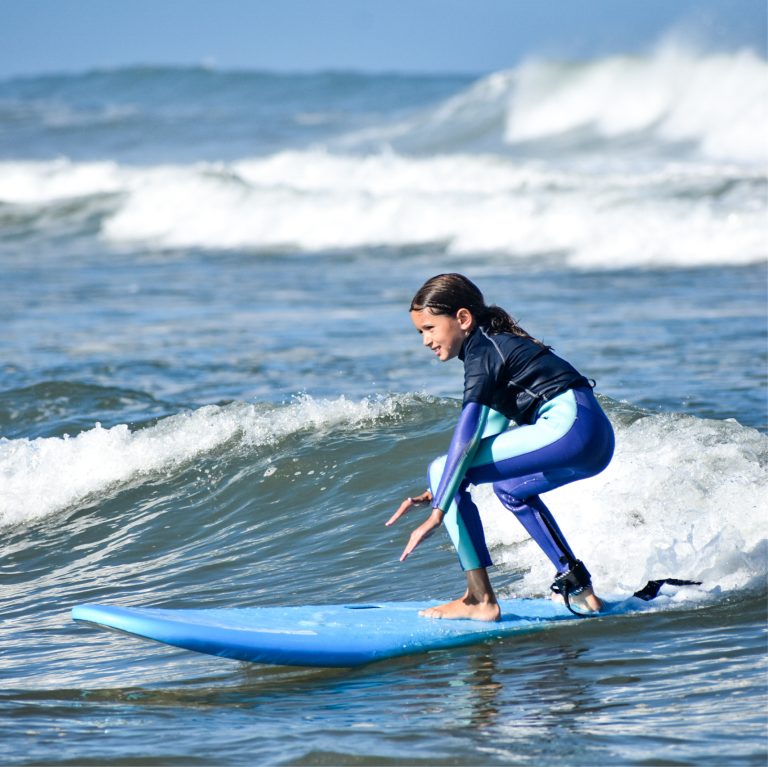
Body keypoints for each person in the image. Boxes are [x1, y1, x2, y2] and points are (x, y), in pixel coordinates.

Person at [386, 273, 615, 621]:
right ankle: (580, 589)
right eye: (420, 332)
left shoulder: (483, 350)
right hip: (594, 437)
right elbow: (491, 430)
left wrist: (440, 507)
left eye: (430, 328)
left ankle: (480, 599)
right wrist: (444, 487)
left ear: (462, 318)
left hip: (569, 429)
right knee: (510, 490)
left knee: (439, 468)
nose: (425, 341)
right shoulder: (495, 345)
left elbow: (468, 430)